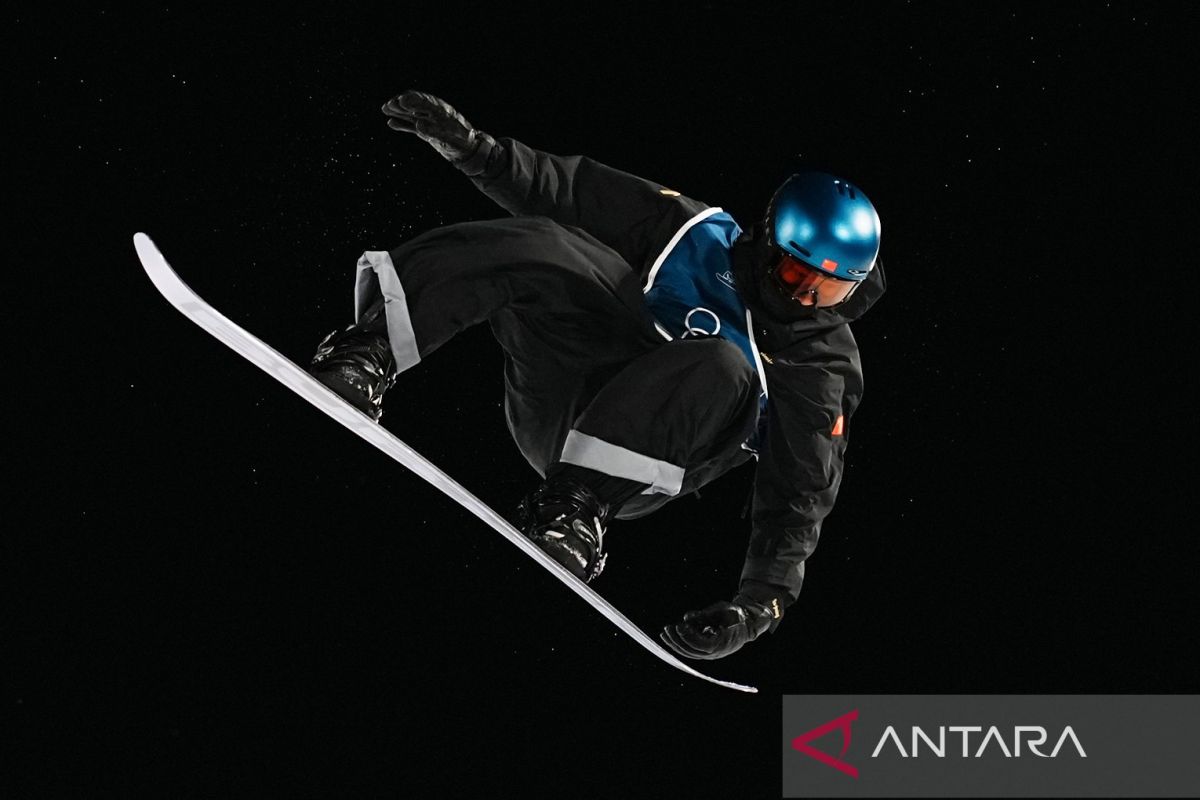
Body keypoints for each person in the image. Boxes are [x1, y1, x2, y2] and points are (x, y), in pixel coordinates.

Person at [308, 91, 886, 661]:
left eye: (831, 291)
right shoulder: (695, 234)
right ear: (768, 239)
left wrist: (759, 605)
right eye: (795, 276)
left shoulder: (821, 366)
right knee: (549, 241)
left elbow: (801, 491)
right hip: (562, 394)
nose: (807, 300)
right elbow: (573, 192)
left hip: (641, 459)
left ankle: (573, 512)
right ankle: (368, 354)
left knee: (724, 362)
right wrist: (476, 152)